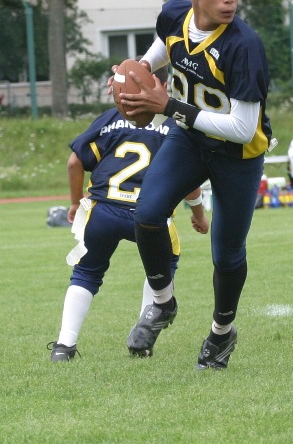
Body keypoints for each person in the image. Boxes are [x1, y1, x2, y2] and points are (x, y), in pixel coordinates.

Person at [119, 0, 272, 369]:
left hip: (237, 154)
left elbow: (243, 128)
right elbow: (166, 43)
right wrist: (140, 67)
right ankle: (162, 302)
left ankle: (222, 332)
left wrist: (168, 105)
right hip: (189, 139)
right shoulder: (174, 13)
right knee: (147, 214)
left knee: (226, 253)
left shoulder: (244, 45)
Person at [48, 70, 209, 362]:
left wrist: (73, 203)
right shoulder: (175, 124)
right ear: (163, 85)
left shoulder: (111, 118)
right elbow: (188, 181)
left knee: (86, 273)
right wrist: (198, 213)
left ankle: (63, 346)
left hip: (102, 210)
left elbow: (74, 162)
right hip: (149, 217)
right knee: (163, 268)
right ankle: (142, 339)